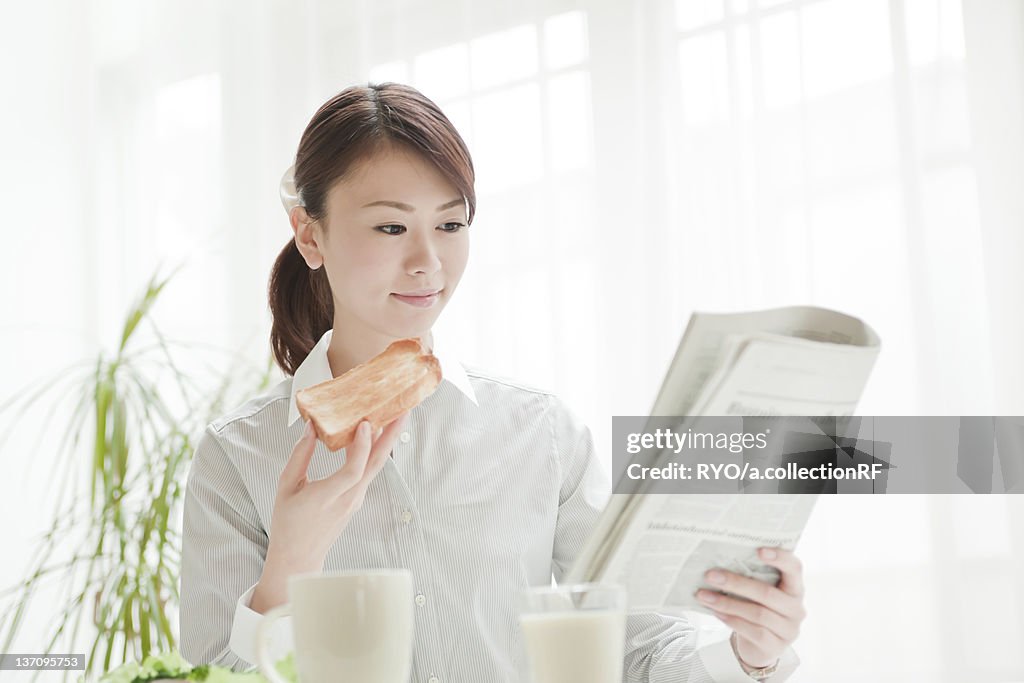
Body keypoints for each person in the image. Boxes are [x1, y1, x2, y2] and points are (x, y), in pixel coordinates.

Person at [180, 82, 806, 682]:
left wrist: (747, 653)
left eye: (450, 225)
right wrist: (291, 564)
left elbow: (634, 642)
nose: (428, 261)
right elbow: (208, 677)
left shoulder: (540, 431)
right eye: (391, 227)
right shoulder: (237, 455)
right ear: (309, 233)